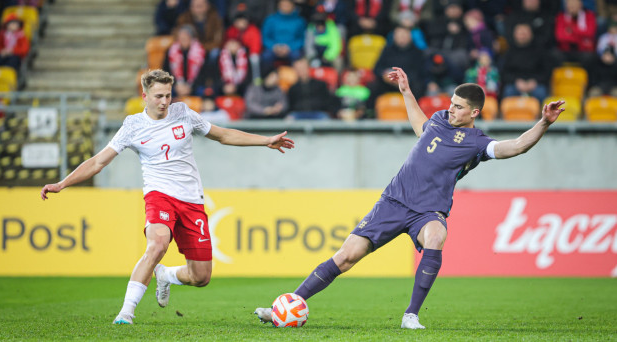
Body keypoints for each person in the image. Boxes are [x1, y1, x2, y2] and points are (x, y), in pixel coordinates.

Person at [254, 66, 565, 329]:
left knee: (437, 235)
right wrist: (406, 91)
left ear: (474, 112)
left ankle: (410, 315)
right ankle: (286, 306)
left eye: (458, 106)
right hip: (393, 202)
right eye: (451, 103)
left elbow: (517, 146)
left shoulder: (476, 143)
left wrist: (543, 123)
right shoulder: (440, 121)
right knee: (346, 257)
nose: (450, 108)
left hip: (427, 210)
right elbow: (421, 127)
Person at [40, 69, 295, 325]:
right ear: (145, 96)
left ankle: (166, 275)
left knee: (201, 277)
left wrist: (265, 141)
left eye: (168, 95)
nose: (164, 101)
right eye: (159, 96)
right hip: (159, 196)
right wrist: (63, 183)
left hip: (192, 201)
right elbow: (98, 162)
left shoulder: (183, 113)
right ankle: (126, 313)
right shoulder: (133, 126)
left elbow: (223, 135)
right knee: (157, 245)